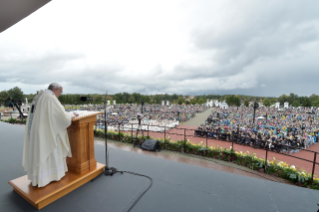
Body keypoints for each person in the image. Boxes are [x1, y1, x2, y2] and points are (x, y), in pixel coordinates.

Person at [22, 83, 79, 187]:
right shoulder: (50, 98)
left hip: (38, 130)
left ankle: (38, 178)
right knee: (50, 150)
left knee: (40, 150)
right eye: (60, 92)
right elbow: (61, 117)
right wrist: (71, 114)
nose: (59, 95)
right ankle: (50, 176)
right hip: (47, 131)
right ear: (56, 90)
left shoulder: (39, 96)